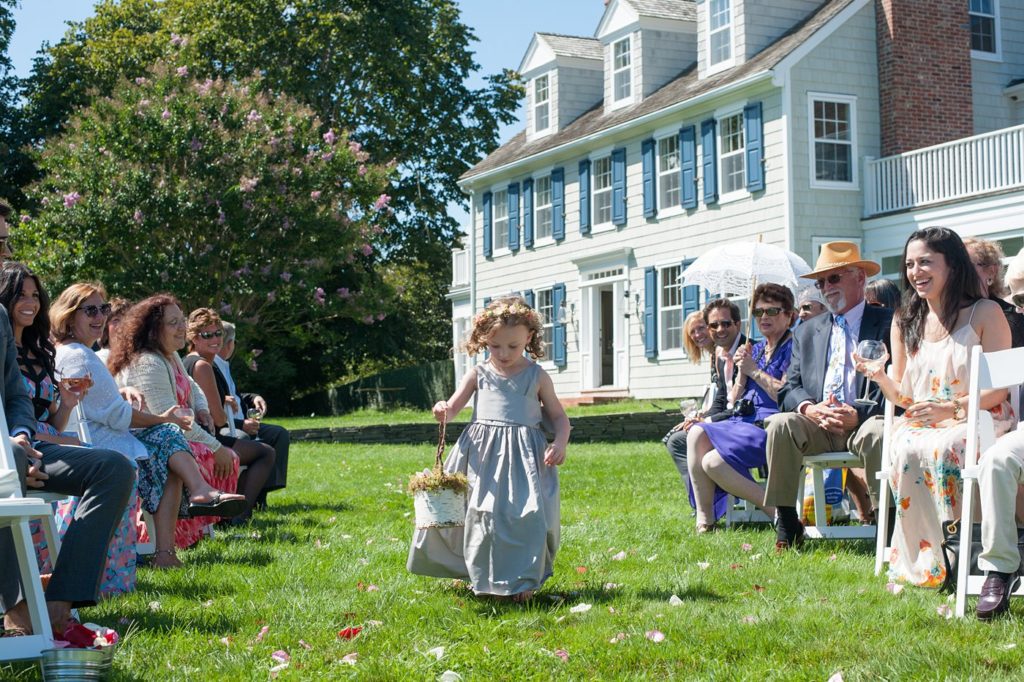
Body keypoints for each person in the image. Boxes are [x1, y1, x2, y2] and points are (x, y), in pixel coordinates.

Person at [0, 201, 135, 637]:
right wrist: (10, 453)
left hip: (26, 447)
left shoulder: (10, 328)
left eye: (5, 242)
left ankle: (60, 600)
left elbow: (15, 398)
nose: (5, 253)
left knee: (115, 467)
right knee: (12, 466)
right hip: (9, 456)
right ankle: (16, 604)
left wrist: (23, 434)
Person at [857, 227, 1012, 587]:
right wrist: (879, 376)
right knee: (903, 444)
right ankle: (929, 560)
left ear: (953, 265)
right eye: (910, 264)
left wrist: (953, 409)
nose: (915, 272)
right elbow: (904, 397)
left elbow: (998, 391)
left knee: (947, 446)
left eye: (925, 262)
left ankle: (965, 554)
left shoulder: (986, 312)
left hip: (980, 416)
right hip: (926, 422)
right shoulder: (905, 320)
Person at [52, 284, 245, 569]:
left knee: (170, 443)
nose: (100, 317)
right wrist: (165, 419)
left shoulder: (80, 353)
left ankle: (172, 541)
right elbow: (119, 416)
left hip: (109, 440)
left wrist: (123, 393)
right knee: (169, 438)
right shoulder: (81, 356)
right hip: (103, 448)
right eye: (90, 310)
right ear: (69, 316)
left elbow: (98, 403)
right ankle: (176, 533)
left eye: (103, 309)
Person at [407, 296, 570, 602]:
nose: (504, 353)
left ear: (529, 338)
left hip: (524, 458)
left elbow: (559, 417)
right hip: (481, 457)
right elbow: (453, 408)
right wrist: (443, 409)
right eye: (495, 346)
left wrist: (559, 443)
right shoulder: (478, 373)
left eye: (513, 346)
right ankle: (482, 576)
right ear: (483, 340)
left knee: (526, 518)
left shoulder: (537, 376)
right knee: (481, 516)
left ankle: (523, 580)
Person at [764, 241, 893, 550]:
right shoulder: (807, 330)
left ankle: (886, 523)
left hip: (864, 422)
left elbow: (901, 382)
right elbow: (789, 388)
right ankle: (787, 522)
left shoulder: (890, 323)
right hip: (818, 424)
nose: (826, 287)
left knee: (879, 431)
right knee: (780, 424)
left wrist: (858, 414)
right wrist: (809, 409)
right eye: (820, 282)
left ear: (860, 277)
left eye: (833, 278)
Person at [108, 294, 242, 549]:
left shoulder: (170, 356)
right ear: (153, 329)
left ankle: (191, 532)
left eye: (183, 321)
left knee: (227, 455)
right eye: (173, 323)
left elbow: (191, 385)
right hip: (148, 441)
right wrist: (216, 447)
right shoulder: (148, 362)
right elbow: (168, 422)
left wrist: (201, 408)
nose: (182, 328)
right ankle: (177, 535)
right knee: (214, 455)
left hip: (171, 435)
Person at [686, 284, 795, 532]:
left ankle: (775, 511)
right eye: (758, 312)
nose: (764, 317)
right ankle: (705, 521)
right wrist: (741, 373)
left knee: (708, 452)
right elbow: (733, 399)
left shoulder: (793, 347)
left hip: (772, 425)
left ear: (789, 315)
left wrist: (754, 371)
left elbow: (787, 396)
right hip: (743, 420)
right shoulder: (756, 349)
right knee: (702, 444)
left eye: (772, 311)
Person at [184, 309, 275, 524]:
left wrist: (221, 401)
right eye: (207, 335)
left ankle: (231, 512)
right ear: (194, 338)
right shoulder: (202, 365)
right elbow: (219, 420)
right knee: (265, 453)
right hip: (205, 441)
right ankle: (237, 515)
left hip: (196, 437)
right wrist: (222, 407)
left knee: (254, 445)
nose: (215, 339)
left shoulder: (186, 361)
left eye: (218, 333)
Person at [664, 299, 746, 502]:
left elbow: (736, 403)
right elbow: (721, 398)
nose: (698, 334)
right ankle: (703, 499)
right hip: (723, 416)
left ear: (737, 324)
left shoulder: (744, 352)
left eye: (701, 328)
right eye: (693, 332)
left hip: (739, 420)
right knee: (676, 438)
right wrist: (700, 418)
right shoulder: (720, 355)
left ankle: (711, 499)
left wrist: (704, 421)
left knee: (682, 439)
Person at [216, 320, 290, 508]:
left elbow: (234, 395)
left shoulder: (223, 365)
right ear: (230, 344)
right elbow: (213, 405)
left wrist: (253, 397)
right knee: (247, 438)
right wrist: (242, 425)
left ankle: (261, 493)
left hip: (240, 421)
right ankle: (244, 502)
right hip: (228, 426)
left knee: (278, 434)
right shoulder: (209, 367)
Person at [964, 237, 1024, 348]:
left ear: (991, 271)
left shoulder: (1010, 319)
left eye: (966, 266)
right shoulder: (947, 318)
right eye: (952, 267)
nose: (957, 273)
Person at [95, 297, 131, 364]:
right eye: (116, 320)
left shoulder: (138, 358)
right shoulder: (96, 359)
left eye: (126, 319)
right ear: (105, 326)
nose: (122, 325)